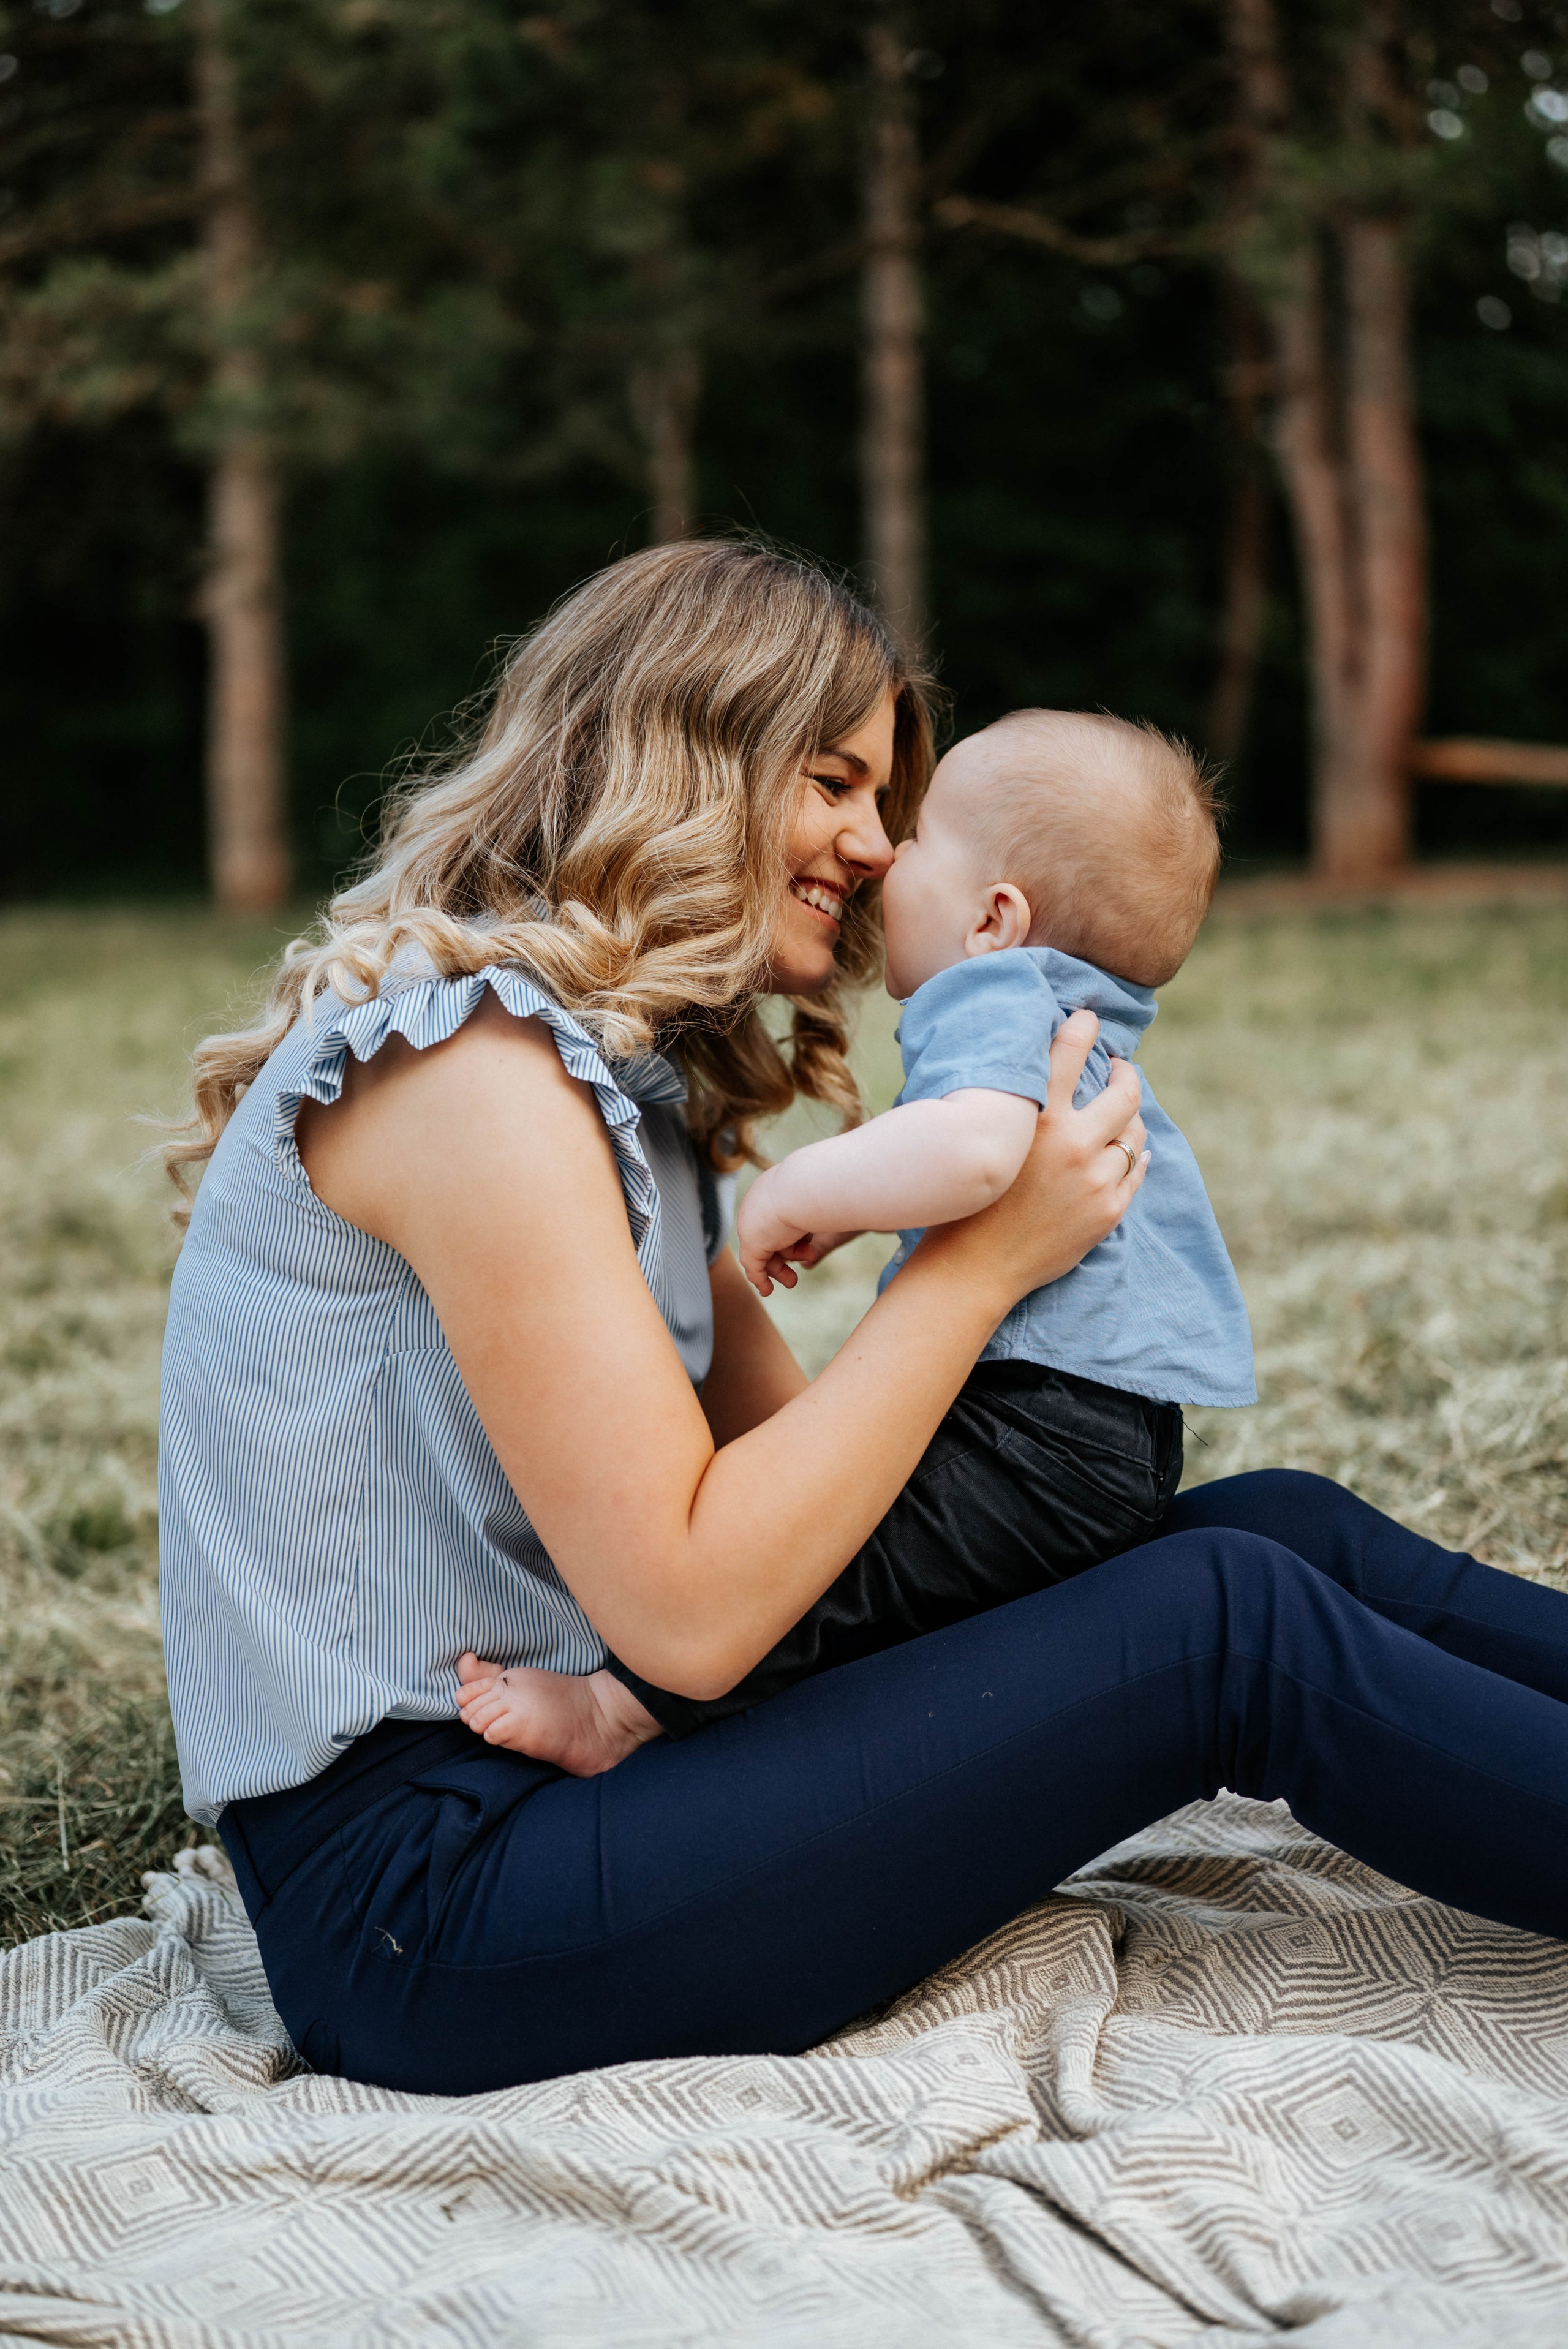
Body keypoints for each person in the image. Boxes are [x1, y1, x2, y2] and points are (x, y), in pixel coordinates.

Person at [159, 538, 1568, 2100]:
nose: (879, 845)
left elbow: (796, 1494)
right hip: (437, 1904)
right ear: (689, 756)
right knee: (1224, 1624)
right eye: (833, 782)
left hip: (574, 1799)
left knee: (1271, 1530)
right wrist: (978, 1271)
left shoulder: (605, 1092)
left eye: (883, 798)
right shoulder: (470, 1084)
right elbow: (692, 1612)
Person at [456, 705, 1256, 1766]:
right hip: (1112, 1436)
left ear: (994, 918)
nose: (886, 854)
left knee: (851, 1569)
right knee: (896, 1579)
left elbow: (974, 1153)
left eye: (917, 834)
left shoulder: (1000, 990)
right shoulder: (1076, 1009)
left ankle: (620, 1711)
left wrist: (796, 1191)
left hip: (1040, 1423)